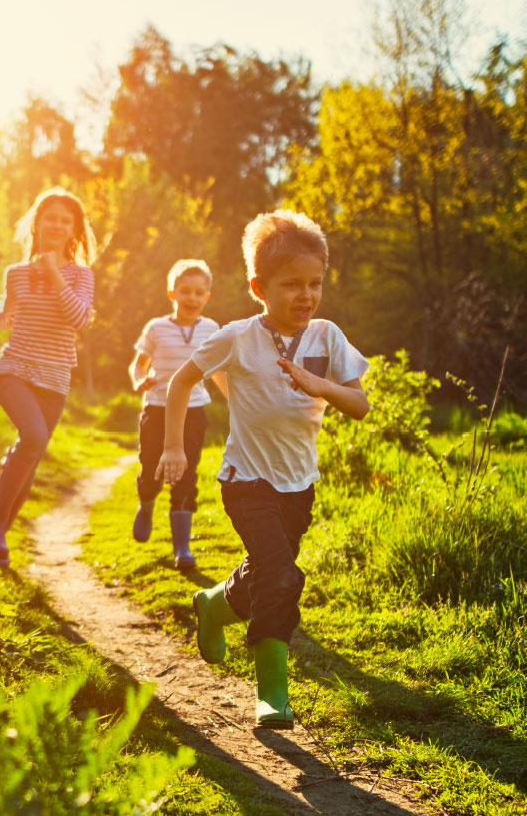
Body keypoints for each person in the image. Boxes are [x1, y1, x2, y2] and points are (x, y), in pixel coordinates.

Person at [156, 210, 369, 728]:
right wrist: (174, 449)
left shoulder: (327, 337)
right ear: (259, 286)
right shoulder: (237, 336)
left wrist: (323, 388)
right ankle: (272, 693)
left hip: (300, 485)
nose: (306, 295)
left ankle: (214, 604)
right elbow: (181, 383)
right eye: (291, 284)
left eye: (314, 283)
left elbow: (360, 404)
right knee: (280, 574)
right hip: (246, 479)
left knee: (266, 572)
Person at [0, 188, 97, 568]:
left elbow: (80, 319)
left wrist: (56, 274)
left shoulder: (81, 275)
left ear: (74, 230)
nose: (56, 224)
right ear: (36, 223)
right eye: (50, 217)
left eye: (65, 220)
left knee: (31, 460)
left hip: (55, 379)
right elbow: (9, 317)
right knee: (34, 437)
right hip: (14, 369)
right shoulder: (16, 274)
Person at [128, 259, 228, 570]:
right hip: (156, 409)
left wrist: (238, 404)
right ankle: (146, 503)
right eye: (185, 291)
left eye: (199, 292)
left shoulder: (213, 330)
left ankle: (182, 548)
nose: (191, 298)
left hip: (193, 412)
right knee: (151, 471)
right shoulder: (156, 328)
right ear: (172, 293)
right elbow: (139, 364)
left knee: (185, 474)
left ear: (207, 297)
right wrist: (138, 381)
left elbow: (219, 371)